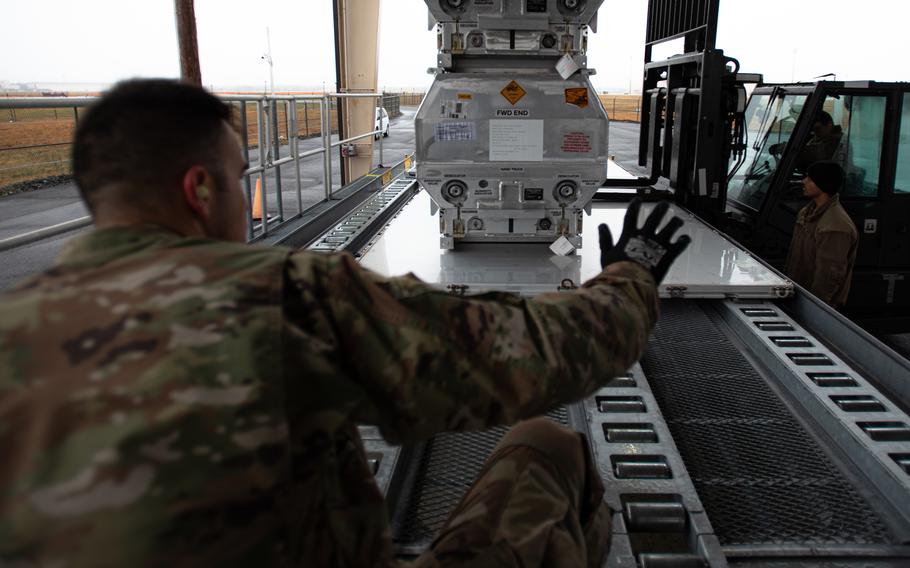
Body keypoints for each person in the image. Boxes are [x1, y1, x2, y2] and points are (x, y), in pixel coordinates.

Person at [0, 79, 690, 567]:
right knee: (547, 446)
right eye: (242, 177)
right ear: (200, 190)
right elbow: (534, 356)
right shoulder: (286, 295)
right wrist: (631, 276)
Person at [785, 160, 858, 307]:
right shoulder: (806, 212)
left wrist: (816, 308)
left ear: (823, 184)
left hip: (813, 304)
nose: (803, 181)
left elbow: (829, 276)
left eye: (810, 179)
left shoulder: (835, 225)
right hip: (798, 295)